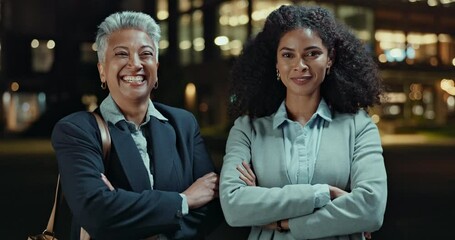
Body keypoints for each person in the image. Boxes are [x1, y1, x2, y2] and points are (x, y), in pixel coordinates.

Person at [219, 4, 387, 240]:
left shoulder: (359, 126)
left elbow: (371, 209)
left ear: (330, 58)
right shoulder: (248, 129)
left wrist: (283, 222)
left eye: (312, 53)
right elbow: (234, 206)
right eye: (288, 55)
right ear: (276, 63)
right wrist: (322, 193)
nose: (300, 65)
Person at [51, 11, 221, 240]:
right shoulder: (77, 130)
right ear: (102, 69)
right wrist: (184, 200)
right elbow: (96, 213)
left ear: (156, 67)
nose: (135, 64)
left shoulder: (183, 124)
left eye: (146, 54)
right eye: (122, 54)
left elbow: (213, 206)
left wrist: (126, 215)